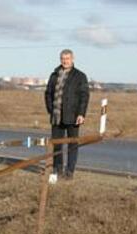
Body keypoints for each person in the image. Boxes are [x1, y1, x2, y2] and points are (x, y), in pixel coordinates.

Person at [45, 49, 90, 180]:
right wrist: (50, 109)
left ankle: (69, 172)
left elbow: (84, 96)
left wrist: (81, 114)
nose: (65, 61)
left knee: (72, 144)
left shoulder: (80, 76)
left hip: (73, 116)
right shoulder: (54, 75)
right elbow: (48, 93)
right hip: (56, 116)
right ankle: (57, 170)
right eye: (63, 58)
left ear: (73, 59)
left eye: (67, 58)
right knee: (57, 144)